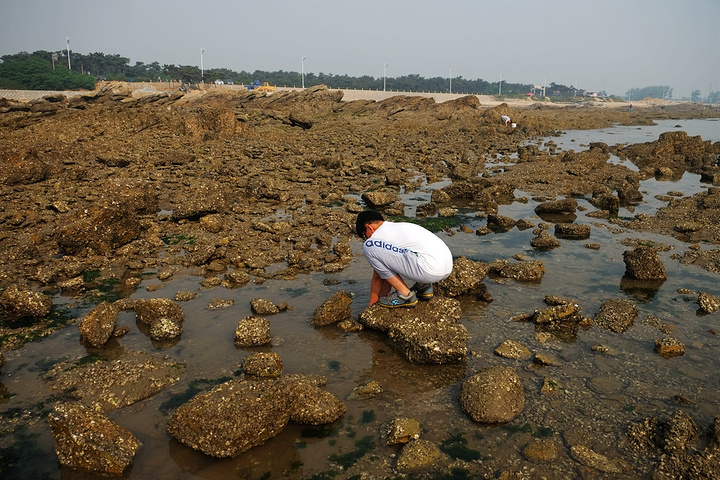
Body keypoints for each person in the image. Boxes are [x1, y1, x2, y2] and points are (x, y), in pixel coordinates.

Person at [356, 211, 453, 308]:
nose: (367, 238)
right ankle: (423, 287)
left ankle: (405, 294)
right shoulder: (399, 228)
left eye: (365, 236)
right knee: (412, 250)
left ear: (369, 228)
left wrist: (372, 307)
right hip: (447, 269)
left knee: (368, 247)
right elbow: (386, 272)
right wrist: (384, 298)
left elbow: (378, 278)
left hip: (428, 270)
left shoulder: (376, 238)